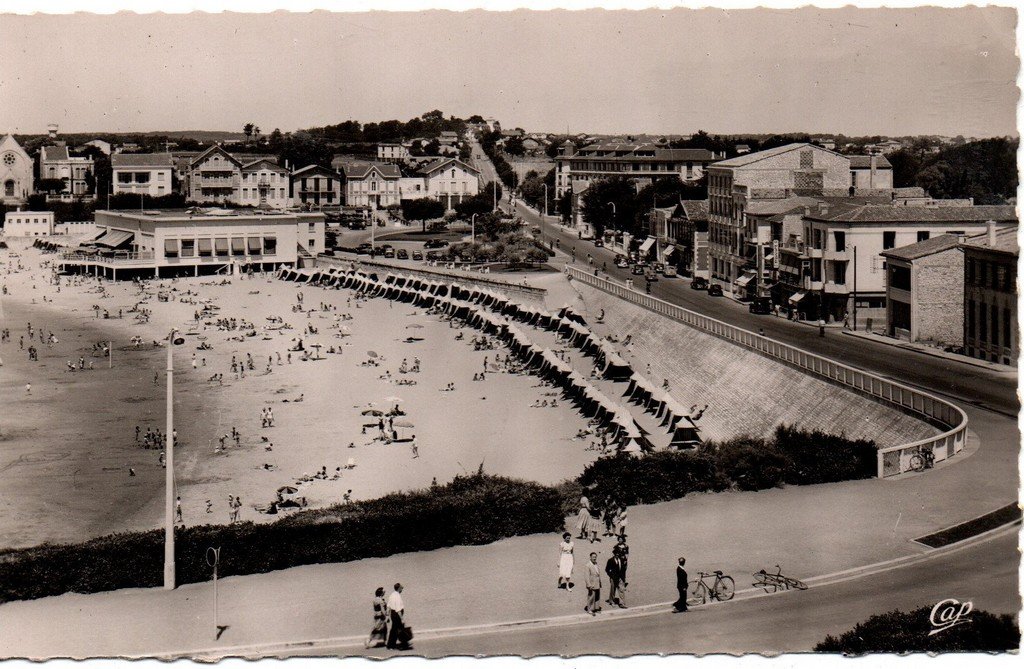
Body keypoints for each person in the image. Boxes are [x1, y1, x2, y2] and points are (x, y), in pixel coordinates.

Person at [385, 583, 411, 650]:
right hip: (397, 615)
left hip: (393, 614)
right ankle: (401, 644)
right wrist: (402, 618)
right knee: (399, 630)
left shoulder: (392, 595)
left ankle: (393, 645)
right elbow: (398, 609)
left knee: (395, 629)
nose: (402, 589)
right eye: (401, 588)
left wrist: (387, 615)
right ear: (399, 588)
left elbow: (388, 606)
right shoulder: (397, 596)